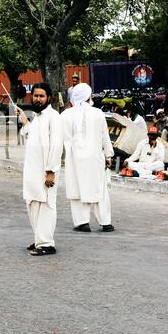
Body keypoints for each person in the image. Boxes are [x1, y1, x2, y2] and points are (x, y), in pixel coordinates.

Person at [15, 83, 63, 256]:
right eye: (35, 95)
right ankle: (39, 239)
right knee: (33, 203)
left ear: (48, 97)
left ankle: (47, 243)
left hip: (45, 171)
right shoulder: (37, 117)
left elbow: (57, 145)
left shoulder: (54, 117)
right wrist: (24, 121)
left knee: (46, 205)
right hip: (33, 170)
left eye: (41, 96)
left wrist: (51, 171)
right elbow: (31, 135)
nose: (38, 99)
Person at [61, 83, 115, 233]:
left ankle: (82, 223)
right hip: (95, 158)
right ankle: (106, 222)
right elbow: (105, 136)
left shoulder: (65, 115)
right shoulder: (98, 113)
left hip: (74, 159)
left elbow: (59, 138)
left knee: (77, 190)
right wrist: (108, 156)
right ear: (88, 96)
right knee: (99, 189)